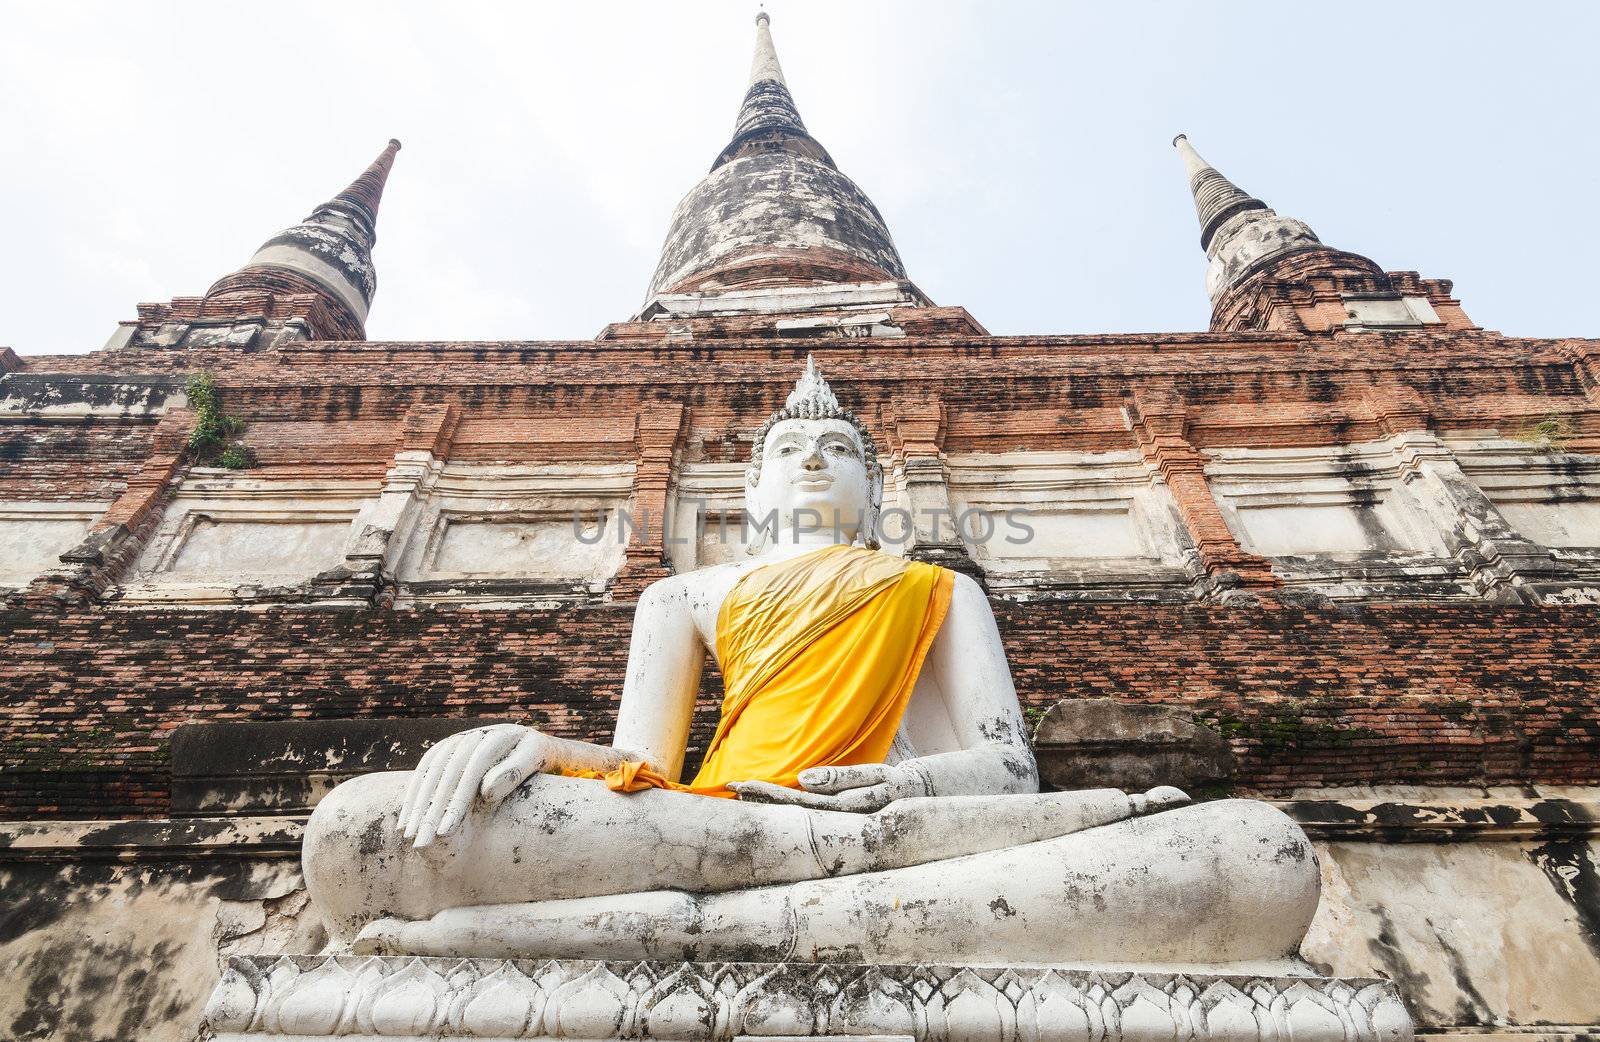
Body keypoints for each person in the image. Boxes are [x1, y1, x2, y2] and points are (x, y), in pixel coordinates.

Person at [303, 359, 1320, 971]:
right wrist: (532, 745)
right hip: (716, 820)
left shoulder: (929, 586)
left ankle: (697, 929)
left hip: (892, 825)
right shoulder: (682, 596)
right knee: (361, 832)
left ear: (875, 487)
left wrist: (893, 784)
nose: (816, 459)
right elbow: (637, 764)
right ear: (748, 487)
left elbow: (1011, 768)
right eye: (793, 449)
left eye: (841, 448)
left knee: (1253, 854)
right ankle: (776, 917)